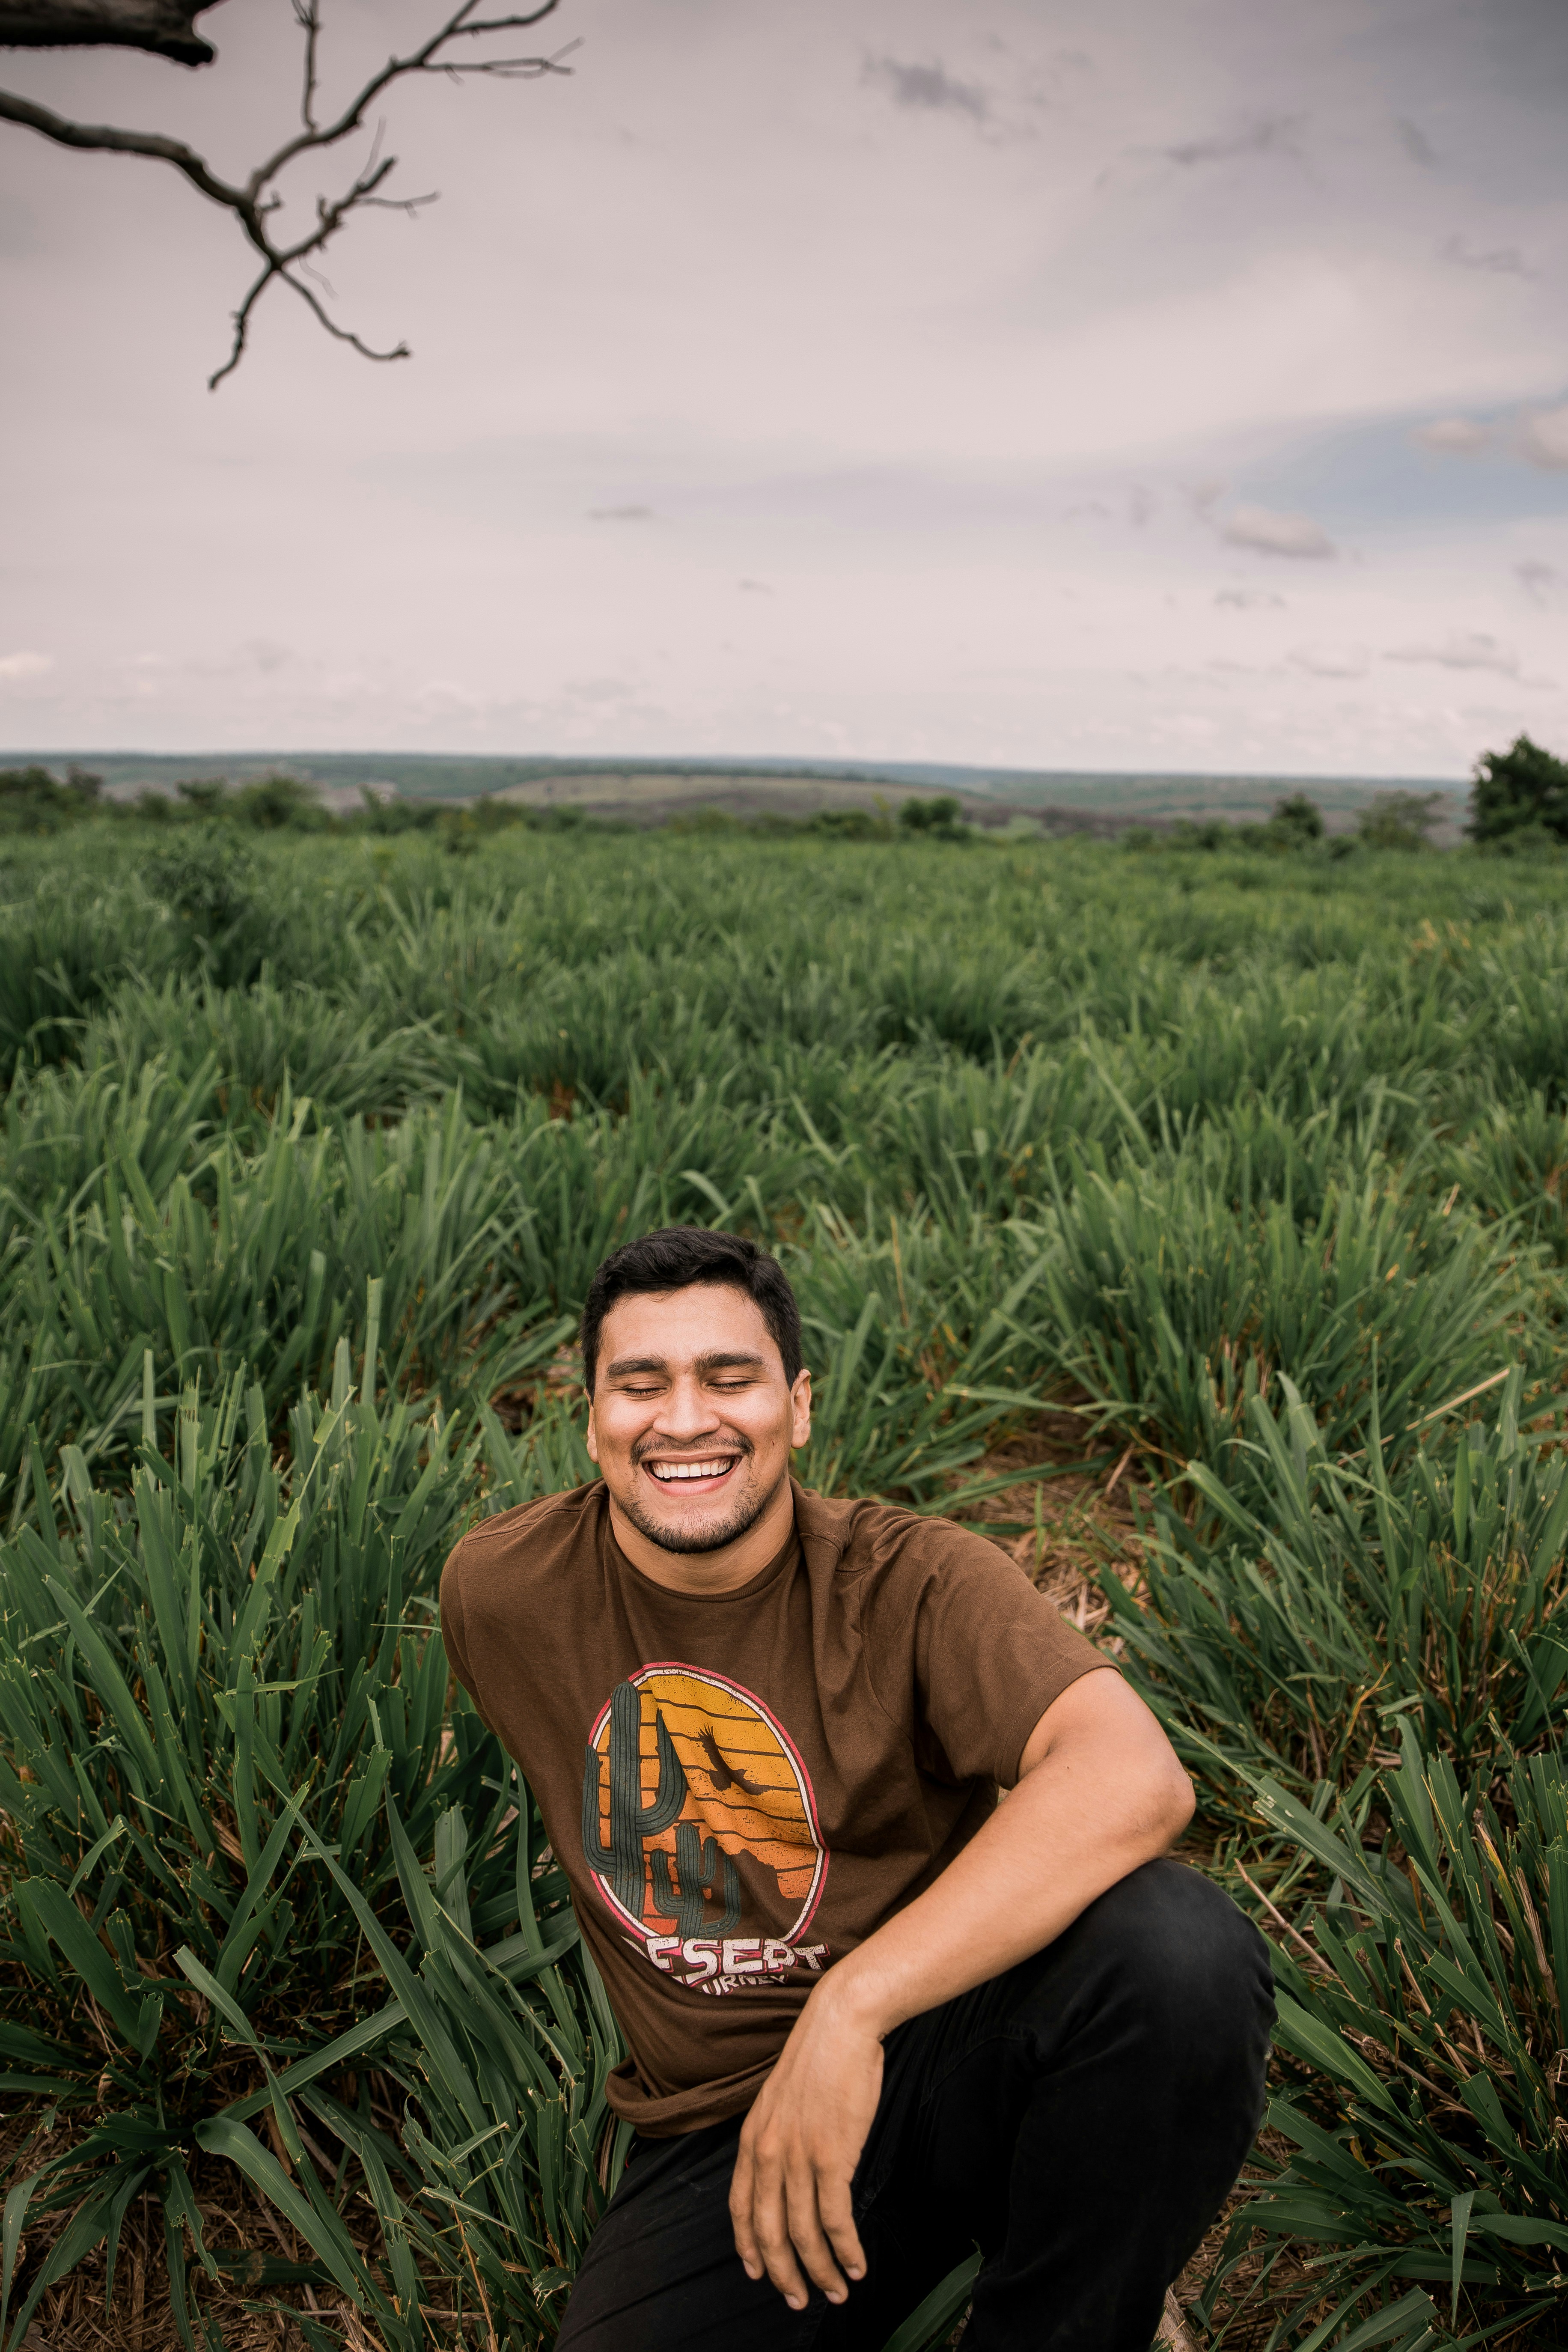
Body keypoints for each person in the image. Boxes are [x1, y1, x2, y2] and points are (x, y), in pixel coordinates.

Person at [440, 1227, 1273, 2351]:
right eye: (641, 1384)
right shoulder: (502, 1595)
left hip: (950, 2043)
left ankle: (1071, 2307)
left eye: (729, 1378)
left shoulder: (914, 1581)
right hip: (721, 2124)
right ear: (590, 1417)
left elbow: (1132, 1775)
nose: (684, 1419)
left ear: (800, 1406)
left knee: (1178, 1949)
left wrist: (852, 2007)